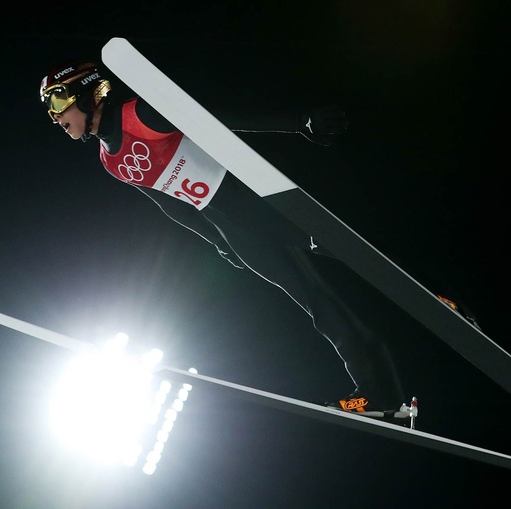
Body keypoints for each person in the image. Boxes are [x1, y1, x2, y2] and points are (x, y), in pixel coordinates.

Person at [38, 60, 414, 420]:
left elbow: (219, 121)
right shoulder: (110, 161)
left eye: (58, 101)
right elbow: (174, 206)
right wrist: (218, 241)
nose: (55, 117)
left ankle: (437, 297)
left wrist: (297, 122)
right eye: (50, 109)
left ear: (87, 92)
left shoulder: (140, 114)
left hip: (251, 197)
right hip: (233, 226)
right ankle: (379, 396)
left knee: (350, 250)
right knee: (317, 304)